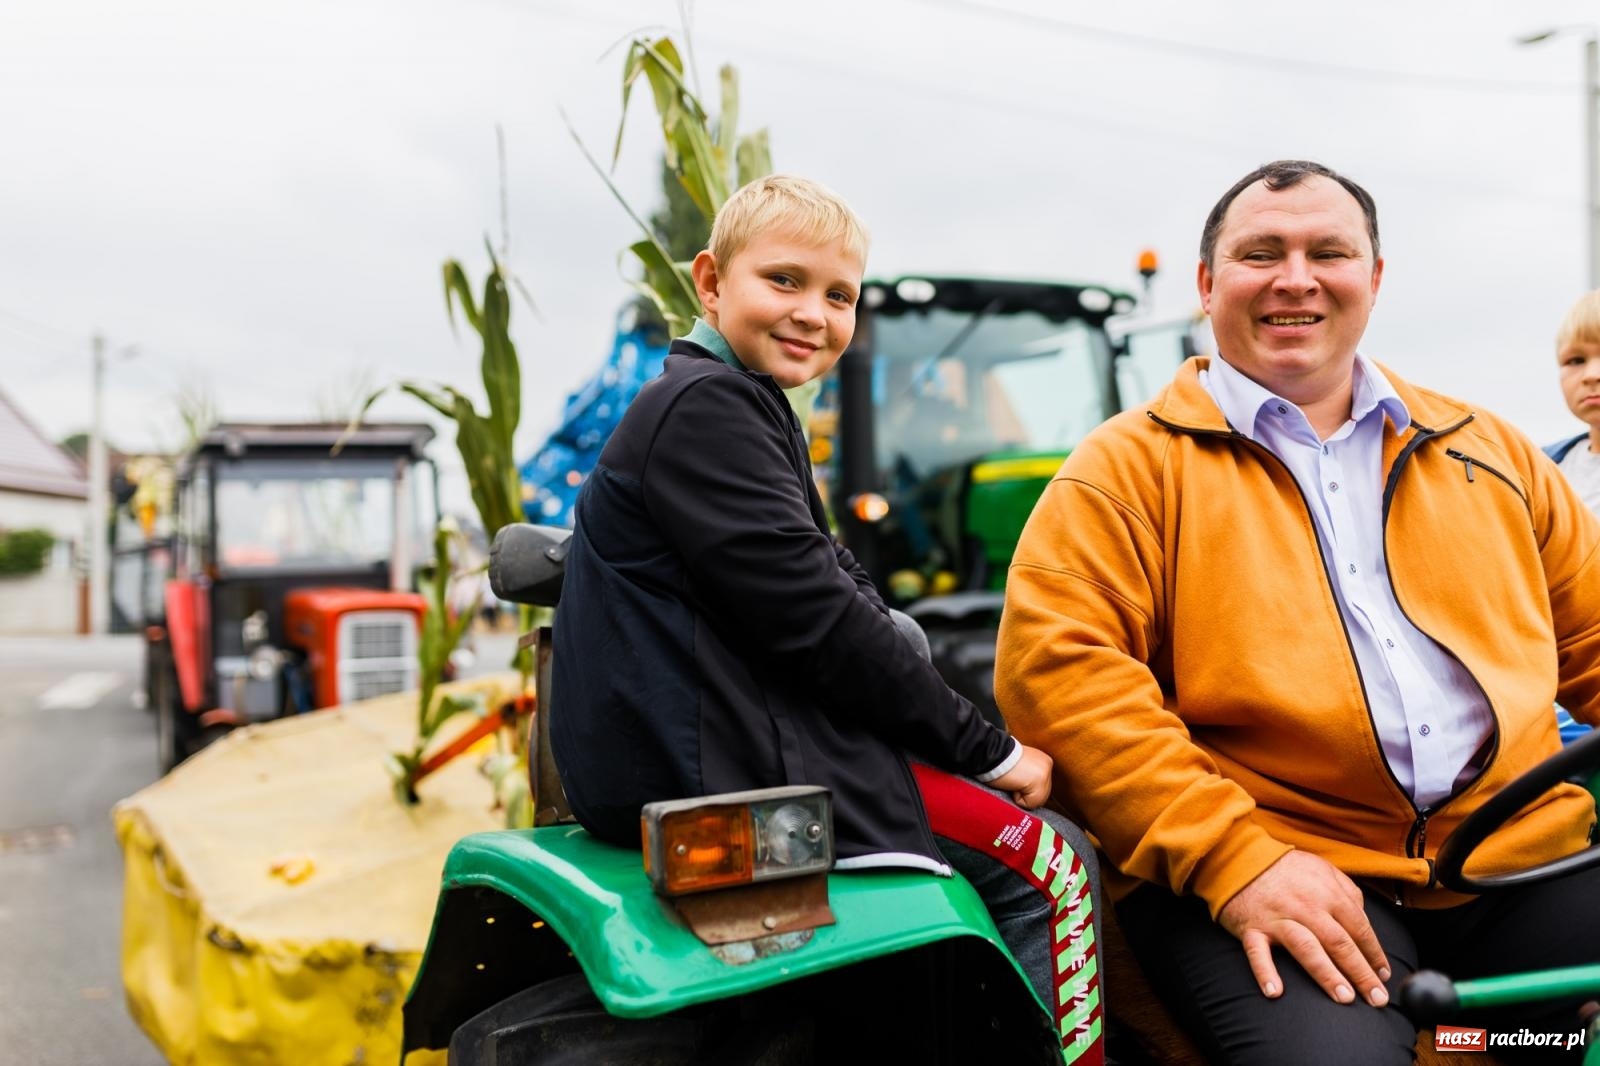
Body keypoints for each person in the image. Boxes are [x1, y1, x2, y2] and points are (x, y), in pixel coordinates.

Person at [996, 159, 1600, 1063]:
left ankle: (1502, 1044)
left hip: (1514, 856)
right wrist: (1236, 858)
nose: (1296, 278)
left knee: (1533, 1043)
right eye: (1261, 254)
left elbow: (1592, 638)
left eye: (1328, 252)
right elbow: (1064, 684)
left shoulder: (1492, 454)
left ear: (1374, 278)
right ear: (1208, 285)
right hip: (1275, 865)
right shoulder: (1122, 473)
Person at [549, 174, 1106, 1063]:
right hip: (720, 766)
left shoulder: (740, 402)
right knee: (1055, 865)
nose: (813, 313)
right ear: (710, 282)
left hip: (722, 738)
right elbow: (821, 620)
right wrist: (991, 750)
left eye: (839, 296)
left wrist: (906, 663)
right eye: (785, 281)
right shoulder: (707, 408)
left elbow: (837, 583)